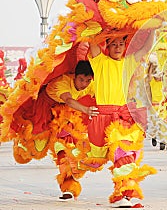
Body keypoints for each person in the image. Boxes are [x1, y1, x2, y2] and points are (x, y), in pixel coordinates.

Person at [8, 60, 96, 200]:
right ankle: (21, 141)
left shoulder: (90, 85)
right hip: (44, 110)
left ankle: (68, 185)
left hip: (64, 113)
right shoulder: (63, 83)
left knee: (65, 148)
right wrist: (86, 109)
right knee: (34, 149)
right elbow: (68, 100)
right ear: (75, 76)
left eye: (88, 80)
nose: (84, 84)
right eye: (81, 80)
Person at [87, 32, 157, 208]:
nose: (118, 48)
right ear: (107, 47)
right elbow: (93, 42)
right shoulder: (100, 61)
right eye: (114, 44)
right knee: (93, 159)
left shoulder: (129, 62)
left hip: (124, 117)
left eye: (121, 44)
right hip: (103, 117)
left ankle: (123, 194)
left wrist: (153, 26)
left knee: (125, 155)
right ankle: (69, 176)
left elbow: (146, 48)